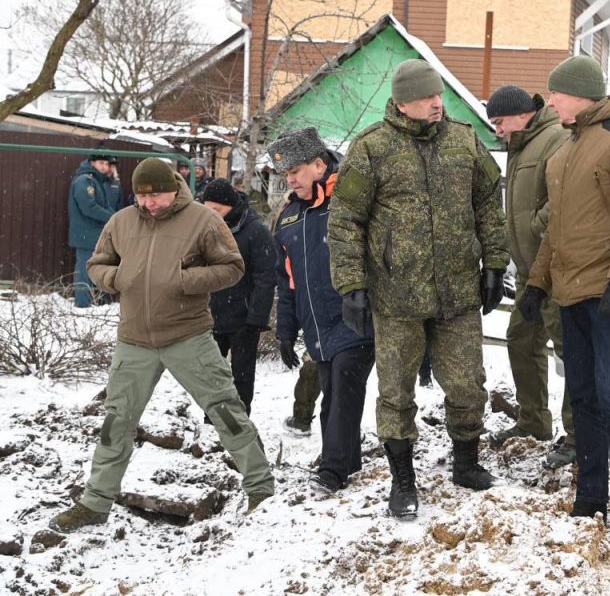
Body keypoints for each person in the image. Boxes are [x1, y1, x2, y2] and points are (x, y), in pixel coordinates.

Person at [48, 159, 274, 533]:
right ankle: (95, 501)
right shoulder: (121, 222)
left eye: (156, 195)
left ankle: (261, 489)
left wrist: (185, 280)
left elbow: (232, 267)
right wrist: (117, 277)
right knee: (116, 421)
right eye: (142, 196)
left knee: (226, 409)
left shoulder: (204, 220)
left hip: (188, 335)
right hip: (134, 340)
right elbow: (96, 264)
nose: (149, 203)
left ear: (174, 188)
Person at [328, 59, 509, 518]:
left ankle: (466, 463)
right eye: (427, 97)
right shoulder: (372, 148)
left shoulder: (463, 139)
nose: (436, 103)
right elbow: (346, 220)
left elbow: (489, 203)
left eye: (438, 95)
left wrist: (494, 263)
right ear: (402, 101)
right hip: (396, 296)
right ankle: (402, 481)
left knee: (468, 385)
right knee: (396, 392)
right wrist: (351, 284)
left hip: (457, 292)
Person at [519, 54, 610, 548]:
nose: (551, 100)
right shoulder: (565, 152)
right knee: (582, 397)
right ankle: (590, 498)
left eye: (556, 93)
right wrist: (536, 286)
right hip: (572, 292)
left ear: (579, 92)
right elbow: (554, 230)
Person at [270, 127, 376, 494]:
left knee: (343, 391)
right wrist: (285, 330)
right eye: (286, 174)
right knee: (333, 392)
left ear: (318, 164)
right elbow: (288, 284)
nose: (290, 179)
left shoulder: (351, 199)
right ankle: (348, 461)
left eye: (295, 171)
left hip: (356, 316)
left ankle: (332, 470)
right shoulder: (288, 220)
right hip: (317, 327)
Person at [484, 85, 575, 469]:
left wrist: (537, 227)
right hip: (526, 269)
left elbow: (566, 197)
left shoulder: (555, 138)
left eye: (500, 122)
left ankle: (577, 433)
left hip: (555, 266)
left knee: (568, 349)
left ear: (522, 114)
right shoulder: (522, 144)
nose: (498, 131)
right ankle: (534, 420)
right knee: (521, 338)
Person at [201, 178, 277, 415]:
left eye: (216, 210)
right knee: (210, 374)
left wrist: (256, 319)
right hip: (210, 315)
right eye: (206, 209)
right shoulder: (203, 228)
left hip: (244, 318)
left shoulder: (255, 232)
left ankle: (241, 419)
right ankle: (211, 419)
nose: (210, 214)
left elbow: (266, 278)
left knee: (242, 375)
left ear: (230, 207)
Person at [68, 151, 116, 307]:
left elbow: (101, 205)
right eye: (101, 163)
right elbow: (88, 207)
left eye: (106, 164)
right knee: (84, 269)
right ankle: (82, 304)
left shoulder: (95, 180)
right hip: (86, 234)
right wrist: (112, 217)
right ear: (92, 163)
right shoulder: (85, 181)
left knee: (89, 268)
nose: (104, 167)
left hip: (91, 234)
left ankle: (90, 302)